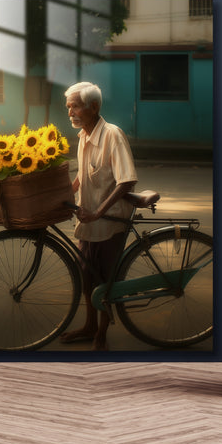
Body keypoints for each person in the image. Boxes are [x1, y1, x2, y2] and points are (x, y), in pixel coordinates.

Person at [60, 82, 137, 351]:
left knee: (105, 281)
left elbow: (126, 181)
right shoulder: (83, 136)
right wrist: (67, 195)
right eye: (69, 107)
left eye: (76, 106)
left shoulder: (112, 135)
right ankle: (89, 325)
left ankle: (101, 333)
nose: (71, 112)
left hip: (110, 220)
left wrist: (98, 213)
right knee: (86, 276)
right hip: (89, 219)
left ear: (93, 107)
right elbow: (84, 172)